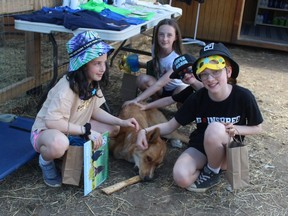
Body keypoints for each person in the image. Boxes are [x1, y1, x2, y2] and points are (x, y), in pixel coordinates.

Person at [136, 42, 263, 192]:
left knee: (215, 128)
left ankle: (213, 171)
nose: (210, 79)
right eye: (204, 74)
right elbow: (170, 126)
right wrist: (144, 131)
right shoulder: (197, 98)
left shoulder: (243, 96)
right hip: (201, 146)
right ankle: (208, 168)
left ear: (228, 72)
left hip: (227, 151)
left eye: (216, 72)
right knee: (180, 177)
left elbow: (257, 127)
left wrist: (236, 129)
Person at [30, 31, 139, 187]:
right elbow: (52, 123)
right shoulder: (65, 90)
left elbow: (95, 110)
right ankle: (46, 162)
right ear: (83, 64)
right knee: (58, 144)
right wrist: (86, 131)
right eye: (97, 63)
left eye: (104, 63)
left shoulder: (92, 82)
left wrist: (122, 121)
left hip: (75, 125)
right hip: (47, 132)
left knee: (114, 129)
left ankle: (72, 150)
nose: (103, 68)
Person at [123, 18, 187, 106]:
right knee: (142, 79)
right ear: (156, 35)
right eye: (161, 34)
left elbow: (159, 84)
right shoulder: (155, 48)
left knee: (183, 91)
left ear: (175, 37)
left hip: (174, 90)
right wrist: (140, 65)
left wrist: (136, 100)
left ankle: (181, 111)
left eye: (169, 35)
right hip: (161, 87)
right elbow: (159, 67)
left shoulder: (175, 60)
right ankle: (156, 103)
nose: (164, 39)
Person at [135, 54, 203, 111]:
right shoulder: (188, 91)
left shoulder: (208, 84)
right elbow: (168, 100)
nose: (186, 75)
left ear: (196, 68)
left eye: (189, 70)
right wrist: (146, 106)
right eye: (181, 74)